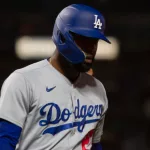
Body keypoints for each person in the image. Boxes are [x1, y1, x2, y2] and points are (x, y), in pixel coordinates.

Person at [0, 4, 111, 150]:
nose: (92, 48)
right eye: (84, 40)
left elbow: (95, 144)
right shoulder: (23, 81)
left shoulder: (98, 89)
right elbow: (4, 141)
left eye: (95, 41)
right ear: (62, 36)